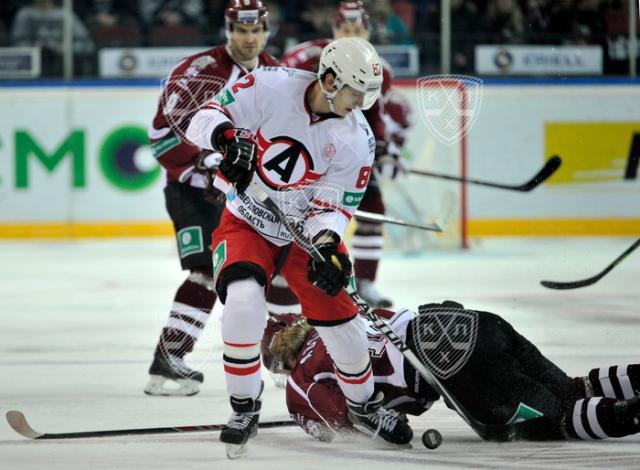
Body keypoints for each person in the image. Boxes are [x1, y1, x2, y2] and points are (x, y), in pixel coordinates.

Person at [183, 37, 413, 452]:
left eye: (367, 95)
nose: (360, 102)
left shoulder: (357, 139)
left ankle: (363, 405)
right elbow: (204, 117)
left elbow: (333, 208)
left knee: (344, 324)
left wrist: (326, 246)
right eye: (354, 92)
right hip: (247, 221)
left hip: (304, 236)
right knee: (243, 301)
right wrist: (226, 138)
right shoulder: (270, 85)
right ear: (328, 79)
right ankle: (244, 404)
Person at [145, 0, 282, 397]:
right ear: (228, 31)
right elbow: (162, 139)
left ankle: (283, 360)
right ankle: (169, 362)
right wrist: (204, 161)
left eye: (256, 31)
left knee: (271, 273)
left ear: (266, 32)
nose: (249, 38)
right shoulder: (199, 72)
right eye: (241, 31)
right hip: (194, 191)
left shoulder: (276, 73)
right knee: (205, 271)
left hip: (243, 197)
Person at [263, 302, 640, 443]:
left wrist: (384, 425)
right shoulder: (346, 313)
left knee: (553, 419)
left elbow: (339, 422)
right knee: (572, 388)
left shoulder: (301, 378)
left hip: (450, 364)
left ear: (280, 360)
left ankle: (632, 413)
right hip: (475, 323)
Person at [281, 1, 410, 309]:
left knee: (373, 205)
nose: (351, 33)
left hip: (349, 153)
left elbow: (375, 117)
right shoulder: (308, 56)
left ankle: (366, 282)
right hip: (301, 148)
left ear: (367, 31)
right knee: (290, 213)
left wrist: (384, 149)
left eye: (357, 29)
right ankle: (281, 282)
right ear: (335, 29)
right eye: (345, 28)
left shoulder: (381, 71)